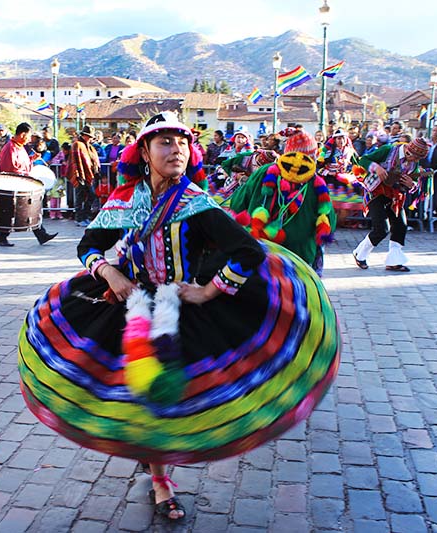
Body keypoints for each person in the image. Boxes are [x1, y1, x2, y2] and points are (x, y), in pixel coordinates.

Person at [17, 111, 339, 522]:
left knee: (167, 399)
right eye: (165, 143)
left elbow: (248, 250)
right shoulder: (123, 200)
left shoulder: (194, 203)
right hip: (129, 305)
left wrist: (209, 290)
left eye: (182, 142)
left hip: (179, 309)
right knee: (135, 394)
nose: (176, 150)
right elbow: (89, 243)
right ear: (145, 153)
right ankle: (155, 469)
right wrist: (108, 271)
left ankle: (160, 476)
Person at [228, 129, 335, 275]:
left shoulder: (264, 172)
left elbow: (238, 203)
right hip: (299, 259)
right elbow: (329, 222)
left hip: (261, 252)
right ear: (313, 156)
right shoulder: (318, 184)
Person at [352, 137, 430, 272]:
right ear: (408, 151)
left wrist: (412, 185)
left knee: (401, 225)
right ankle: (360, 254)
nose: (416, 161)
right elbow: (363, 160)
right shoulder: (388, 150)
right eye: (415, 157)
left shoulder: (414, 163)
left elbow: (414, 183)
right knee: (381, 229)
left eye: (419, 159)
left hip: (395, 196)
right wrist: (376, 168)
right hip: (375, 191)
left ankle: (394, 261)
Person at [0, 122, 57, 245]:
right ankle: (2, 237)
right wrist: (26, 175)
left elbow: (21, 164)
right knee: (17, 211)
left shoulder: (19, 147)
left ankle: (41, 235)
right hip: (13, 185)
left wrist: (31, 160)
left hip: (21, 184)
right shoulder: (10, 148)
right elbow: (9, 168)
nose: (30, 139)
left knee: (30, 210)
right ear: (23, 134)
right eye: (29, 136)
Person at [68, 125, 100, 226]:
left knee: (90, 195)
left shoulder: (90, 147)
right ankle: (79, 218)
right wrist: (78, 175)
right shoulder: (77, 145)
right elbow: (75, 162)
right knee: (80, 197)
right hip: (80, 176)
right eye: (88, 136)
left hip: (88, 175)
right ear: (84, 135)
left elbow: (93, 161)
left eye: (91, 137)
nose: (90, 138)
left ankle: (85, 216)